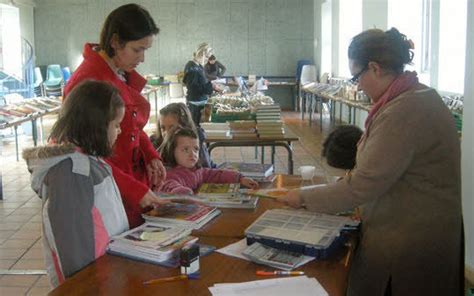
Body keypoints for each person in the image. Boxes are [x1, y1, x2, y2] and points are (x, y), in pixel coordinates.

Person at [278, 28, 462, 295]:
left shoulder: (405, 110)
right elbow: (382, 172)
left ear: (374, 68)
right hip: (412, 230)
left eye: (356, 77)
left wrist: (302, 196)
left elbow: (362, 185)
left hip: (410, 246)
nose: (357, 86)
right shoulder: (414, 97)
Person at [23, 81, 159, 287]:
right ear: (95, 126)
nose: (120, 131)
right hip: (94, 284)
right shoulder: (72, 173)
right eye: (115, 125)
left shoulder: (88, 161)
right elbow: (73, 250)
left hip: (109, 274)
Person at [64, 4, 166, 228]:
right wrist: (132, 189)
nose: (142, 58)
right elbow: (84, 157)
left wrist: (150, 154)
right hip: (109, 189)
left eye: (145, 50)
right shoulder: (88, 81)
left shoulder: (118, 73)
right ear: (115, 42)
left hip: (128, 184)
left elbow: (131, 127)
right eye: (137, 50)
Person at [158, 127, 258, 194]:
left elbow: (215, 174)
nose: (192, 154)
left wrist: (239, 178)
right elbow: (169, 185)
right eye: (185, 149)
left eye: (196, 149)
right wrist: (180, 192)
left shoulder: (197, 170)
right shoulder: (170, 174)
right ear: (171, 151)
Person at [152, 102, 215, 168]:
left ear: (184, 126)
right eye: (163, 128)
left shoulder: (194, 142)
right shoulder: (155, 147)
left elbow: (207, 168)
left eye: (172, 128)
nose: (166, 132)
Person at [183, 42, 222, 126]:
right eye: (207, 57)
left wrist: (211, 85)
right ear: (202, 54)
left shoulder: (198, 66)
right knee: (196, 127)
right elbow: (193, 88)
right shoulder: (192, 67)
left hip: (200, 101)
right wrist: (210, 87)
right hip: (195, 103)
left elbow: (201, 81)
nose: (207, 60)